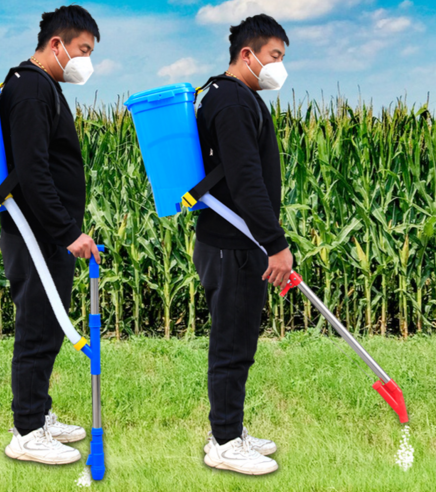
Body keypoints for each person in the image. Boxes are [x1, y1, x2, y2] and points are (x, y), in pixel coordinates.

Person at [0, 5, 101, 465]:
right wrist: (67, 232)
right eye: (82, 50)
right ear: (56, 45)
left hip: (49, 232)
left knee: (49, 327)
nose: (86, 61)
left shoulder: (44, 88)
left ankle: (40, 414)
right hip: (37, 233)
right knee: (38, 329)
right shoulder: (29, 88)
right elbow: (33, 171)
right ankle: (26, 433)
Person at [193, 13, 294, 475]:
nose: (280, 67)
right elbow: (245, 178)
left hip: (236, 242)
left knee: (238, 340)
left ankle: (231, 428)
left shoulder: (230, 95)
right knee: (232, 344)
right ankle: (225, 441)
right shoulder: (232, 101)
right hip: (232, 244)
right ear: (248, 55)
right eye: (275, 56)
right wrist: (276, 244)